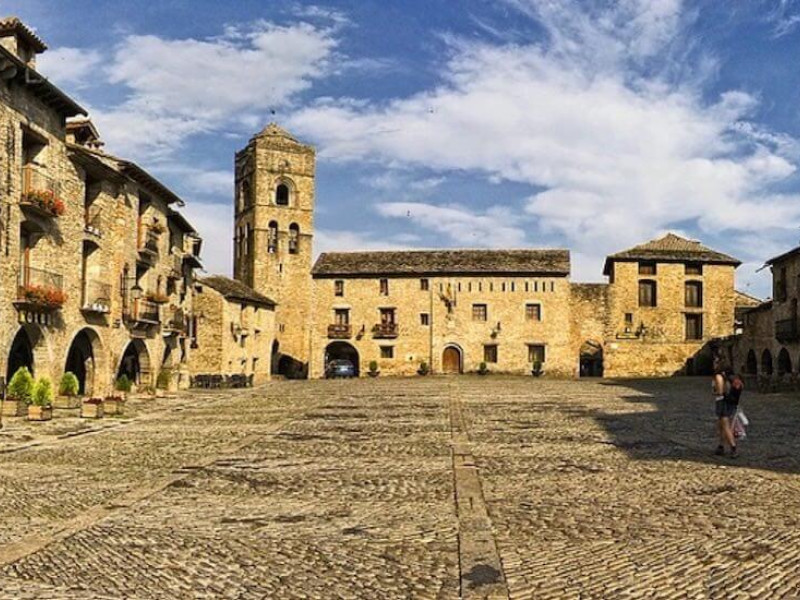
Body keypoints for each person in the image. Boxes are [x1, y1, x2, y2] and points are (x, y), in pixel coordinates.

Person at [713, 367, 743, 458]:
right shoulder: (735, 378)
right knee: (721, 426)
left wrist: (714, 391)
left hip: (723, 403)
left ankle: (733, 448)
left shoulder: (719, 376)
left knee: (725, 426)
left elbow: (720, 392)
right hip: (732, 403)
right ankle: (721, 446)